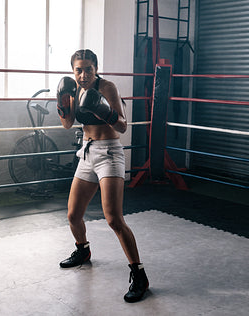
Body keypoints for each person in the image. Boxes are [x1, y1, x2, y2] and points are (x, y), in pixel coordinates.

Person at [56, 49, 149, 303]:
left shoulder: (107, 87)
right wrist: (63, 105)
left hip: (109, 153)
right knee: (73, 215)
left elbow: (122, 126)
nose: (83, 75)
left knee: (113, 218)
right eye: (78, 70)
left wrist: (104, 111)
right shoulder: (73, 89)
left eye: (88, 69)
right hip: (87, 153)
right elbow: (67, 124)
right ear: (73, 71)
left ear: (95, 68)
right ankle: (82, 251)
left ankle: (139, 275)